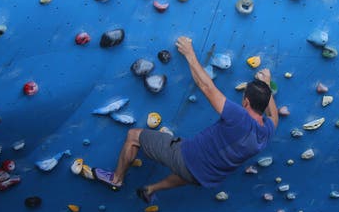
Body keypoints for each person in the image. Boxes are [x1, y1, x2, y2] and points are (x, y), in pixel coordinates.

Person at [93, 36, 278, 202]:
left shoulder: (239, 117)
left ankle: (116, 179)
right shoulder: (267, 131)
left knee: (134, 136)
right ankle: (151, 189)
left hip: (186, 158)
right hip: (209, 177)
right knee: (189, 175)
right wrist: (267, 86)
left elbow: (207, 87)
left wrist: (189, 54)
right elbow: (274, 115)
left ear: (246, 101)